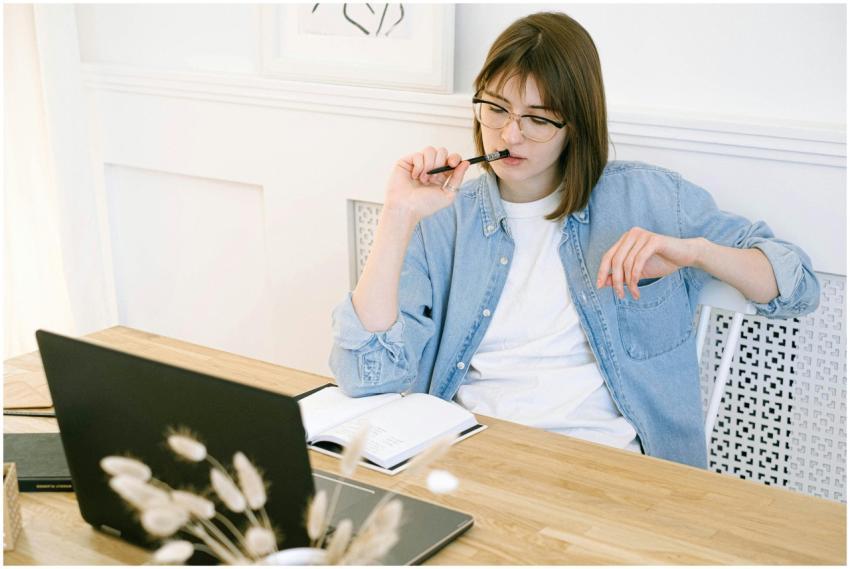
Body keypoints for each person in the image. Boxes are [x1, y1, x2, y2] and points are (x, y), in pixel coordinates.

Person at [328, 11, 820, 468]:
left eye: (538, 119)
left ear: (576, 124)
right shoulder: (443, 217)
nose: (509, 136)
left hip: (607, 467)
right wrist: (397, 216)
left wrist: (696, 253)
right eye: (495, 109)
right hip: (473, 455)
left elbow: (796, 286)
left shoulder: (649, 197)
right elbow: (367, 375)